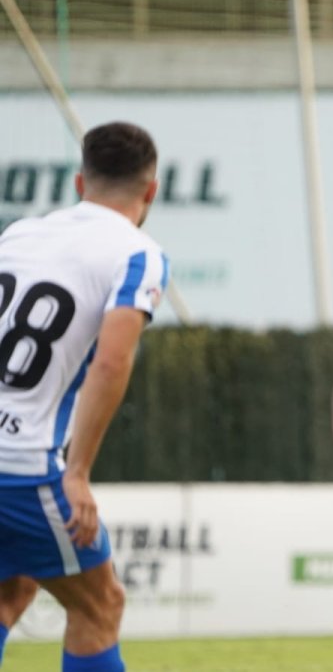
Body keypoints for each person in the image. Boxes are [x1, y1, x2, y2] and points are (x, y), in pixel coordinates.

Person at [0, 121, 169, 672]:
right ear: (151, 190)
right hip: (23, 467)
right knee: (100, 605)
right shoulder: (137, 254)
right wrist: (77, 473)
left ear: (79, 182)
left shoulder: (18, 234)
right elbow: (113, 360)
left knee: (14, 587)